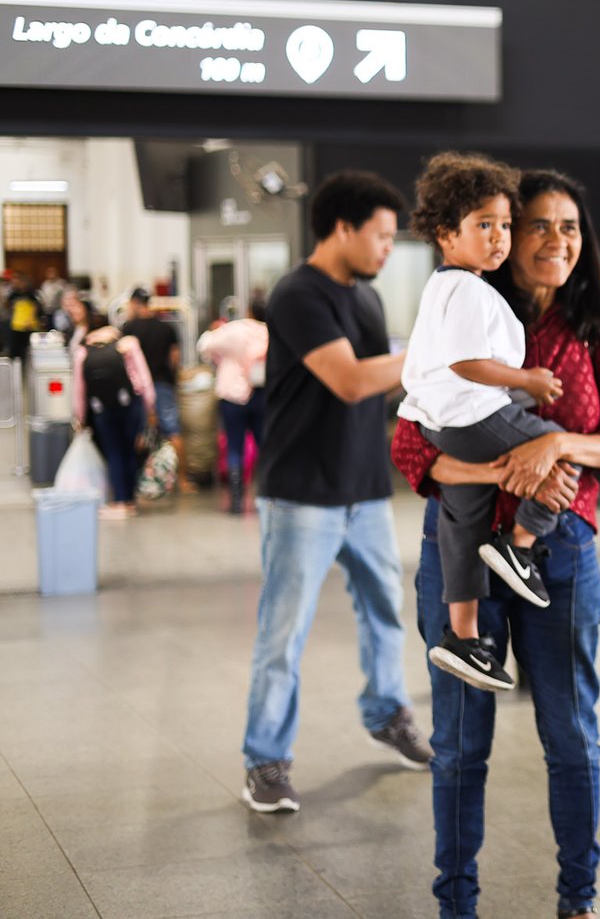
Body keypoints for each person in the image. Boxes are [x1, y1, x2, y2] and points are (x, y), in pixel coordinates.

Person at [391, 168, 600, 919]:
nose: (552, 240)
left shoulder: (596, 333)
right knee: (461, 746)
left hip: (559, 555)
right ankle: (456, 905)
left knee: (571, 740)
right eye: (536, 224)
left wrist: (558, 444)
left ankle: (578, 899)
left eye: (569, 227)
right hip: (461, 553)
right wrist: (496, 464)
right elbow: (411, 441)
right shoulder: (465, 310)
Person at [240, 170, 433, 815]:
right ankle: (264, 761)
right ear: (342, 229)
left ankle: (387, 715)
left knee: (385, 612)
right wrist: (436, 353)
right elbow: (351, 381)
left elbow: (387, 384)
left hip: (366, 491)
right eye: (379, 236)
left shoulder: (368, 301)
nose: (386, 249)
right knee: (283, 634)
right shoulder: (297, 293)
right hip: (301, 496)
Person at [398, 152, 565, 693]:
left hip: (442, 425)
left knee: (462, 522)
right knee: (556, 451)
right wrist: (529, 379)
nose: (499, 238)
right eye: (484, 226)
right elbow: (467, 363)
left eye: (505, 226)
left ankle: (462, 636)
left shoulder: (442, 287)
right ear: (446, 233)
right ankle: (518, 543)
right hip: (475, 415)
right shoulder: (467, 288)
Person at [72, 310, 156, 520]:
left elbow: (79, 390)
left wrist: (80, 418)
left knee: (114, 453)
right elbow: (144, 379)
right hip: (131, 405)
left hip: (102, 409)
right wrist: (150, 408)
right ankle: (130, 500)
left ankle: (119, 501)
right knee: (130, 451)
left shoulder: (83, 351)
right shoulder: (127, 344)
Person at [197, 298, 270, 514]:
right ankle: (267, 495)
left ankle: (237, 502)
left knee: (234, 446)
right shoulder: (269, 332)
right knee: (264, 446)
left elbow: (204, 345)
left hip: (231, 396)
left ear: (248, 311)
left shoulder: (235, 329)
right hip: (260, 394)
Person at [122, 286, 195, 493]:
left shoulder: (128, 328)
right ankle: (182, 481)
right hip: (163, 384)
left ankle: (137, 480)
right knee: (173, 431)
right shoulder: (166, 328)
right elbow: (175, 359)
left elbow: (124, 361)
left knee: (139, 433)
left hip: (137, 389)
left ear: (135, 303)